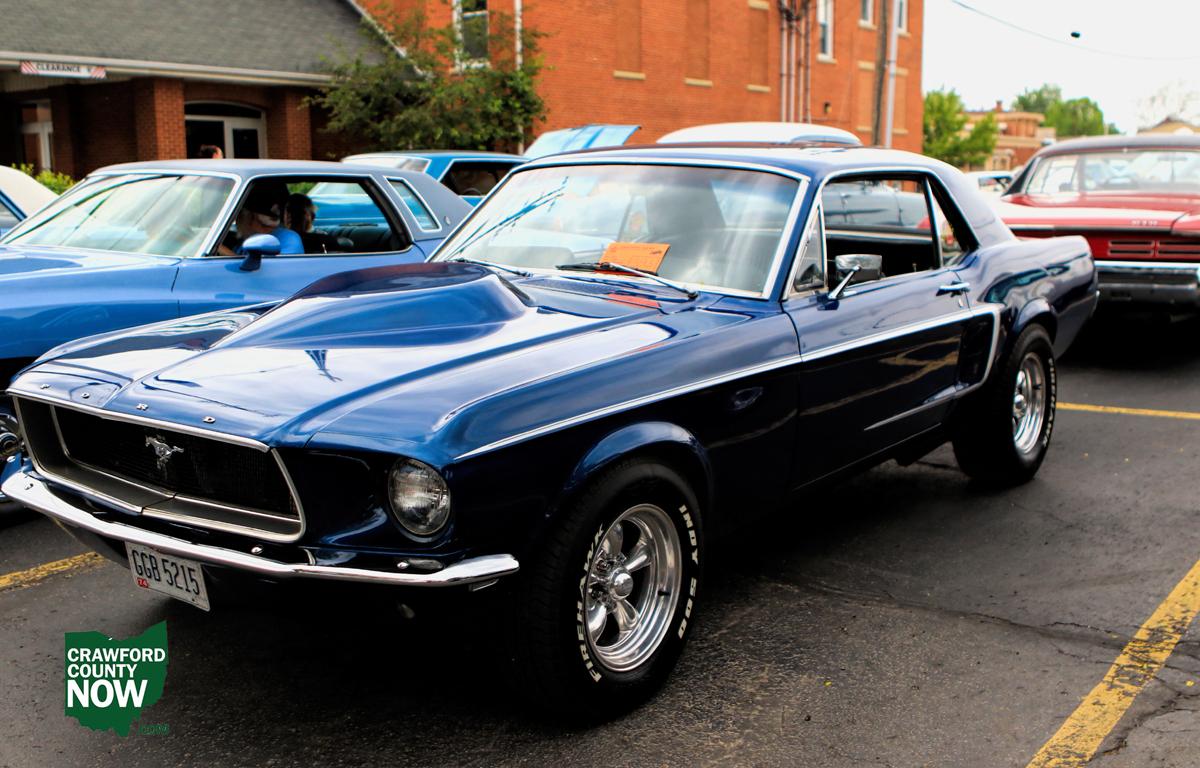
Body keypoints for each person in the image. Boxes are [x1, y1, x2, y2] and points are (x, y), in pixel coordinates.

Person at [218, 186, 304, 256]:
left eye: (240, 214)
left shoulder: (288, 239)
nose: (237, 220)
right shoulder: (246, 240)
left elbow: (267, 270)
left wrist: (221, 249)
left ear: (249, 217)